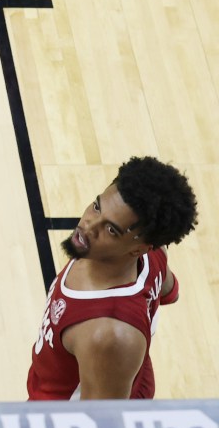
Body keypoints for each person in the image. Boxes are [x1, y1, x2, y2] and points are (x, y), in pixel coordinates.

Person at [27, 156, 198, 400]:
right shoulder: (151, 254)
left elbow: (99, 427)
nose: (88, 225)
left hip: (63, 414)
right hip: (119, 370)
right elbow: (171, 289)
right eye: (97, 207)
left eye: (110, 229)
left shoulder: (106, 336)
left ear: (137, 249)